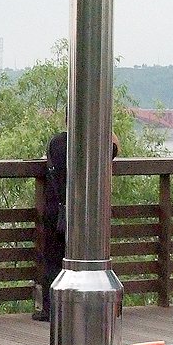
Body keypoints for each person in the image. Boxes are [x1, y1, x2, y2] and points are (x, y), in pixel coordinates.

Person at [34, 130, 117, 321]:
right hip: (84, 215)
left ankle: (50, 309)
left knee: (53, 261)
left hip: (56, 212)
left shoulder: (56, 143)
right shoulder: (94, 146)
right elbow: (115, 147)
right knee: (82, 262)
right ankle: (81, 307)